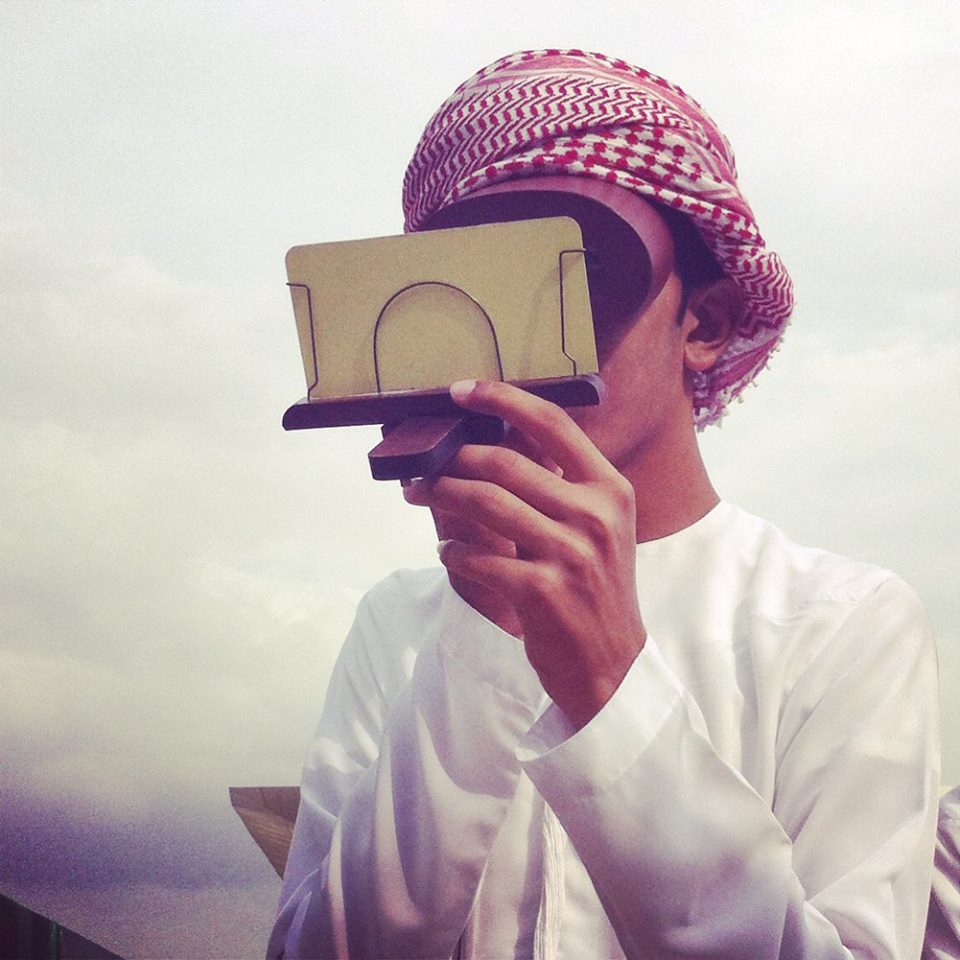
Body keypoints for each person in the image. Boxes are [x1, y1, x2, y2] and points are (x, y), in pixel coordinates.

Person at [268, 50, 940, 959]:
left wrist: (611, 690)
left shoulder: (843, 624)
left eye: (576, 279)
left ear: (704, 323)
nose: (526, 344)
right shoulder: (400, 623)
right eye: (480, 294)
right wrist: (480, 639)